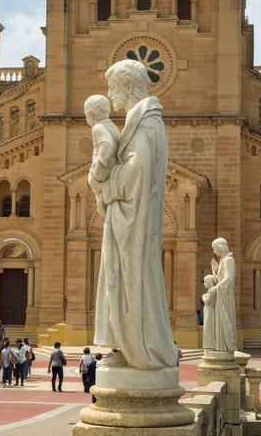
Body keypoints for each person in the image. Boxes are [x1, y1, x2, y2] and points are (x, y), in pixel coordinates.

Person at [89, 60, 176, 370]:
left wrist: (104, 183)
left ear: (126, 87)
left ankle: (136, 347)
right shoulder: (143, 121)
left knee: (127, 280)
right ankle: (127, 346)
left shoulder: (145, 123)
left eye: (113, 88)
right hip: (128, 218)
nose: (110, 96)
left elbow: (135, 172)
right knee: (122, 281)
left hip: (132, 220)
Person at [85, 94, 120, 215]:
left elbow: (108, 144)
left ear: (91, 113)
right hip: (113, 167)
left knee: (93, 182)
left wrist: (98, 164)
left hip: (104, 169)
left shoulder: (98, 128)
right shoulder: (111, 126)